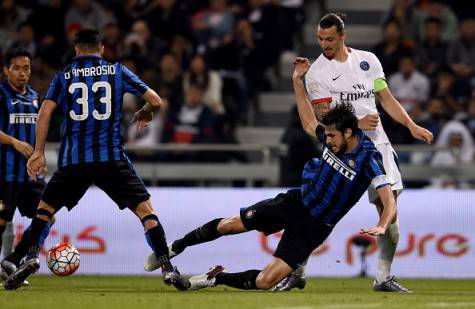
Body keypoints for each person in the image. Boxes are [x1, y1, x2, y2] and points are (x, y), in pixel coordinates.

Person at [144, 70, 398, 291]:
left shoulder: (369, 158)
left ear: (349, 133)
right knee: (228, 226)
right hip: (296, 202)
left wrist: (383, 225)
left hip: (315, 227)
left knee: (266, 282)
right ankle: (174, 247)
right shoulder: (334, 136)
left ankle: (216, 278)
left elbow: (389, 202)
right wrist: (298, 82)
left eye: (332, 136)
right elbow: (309, 122)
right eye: (327, 135)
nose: (327, 140)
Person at [2, 29, 188, 291]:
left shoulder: (63, 76)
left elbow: (44, 115)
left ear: (76, 50)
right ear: (101, 48)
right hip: (111, 159)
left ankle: (31, 256)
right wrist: (147, 111)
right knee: (146, 212)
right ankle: (167, 268)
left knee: (44, 210)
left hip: (73, 161)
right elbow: (156, 100)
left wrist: (39, 152)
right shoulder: (117, 71)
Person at [275, 13, 433, 292]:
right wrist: (356, 124)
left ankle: (383, 277)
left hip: (377, 146)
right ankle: (297, 270)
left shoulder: (368, 61)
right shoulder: (316, 74)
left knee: (390, 211)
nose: (324, 44)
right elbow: (324, 118)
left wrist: (410, 125)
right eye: (320, 39)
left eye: (330, 39)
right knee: (318, 212)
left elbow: (385, 97)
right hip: (341, 149)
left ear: (343, 36)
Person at [0, 48, 54, 286]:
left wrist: (38, 155)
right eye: (17, 68)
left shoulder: (33, 96)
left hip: (30, 174)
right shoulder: (1, 95)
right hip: (5, 172)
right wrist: (14, 142)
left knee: (47, 216)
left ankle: (13, 260)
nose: (23, 73)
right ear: (6, 70)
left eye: (27, 68)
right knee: (1, 221)